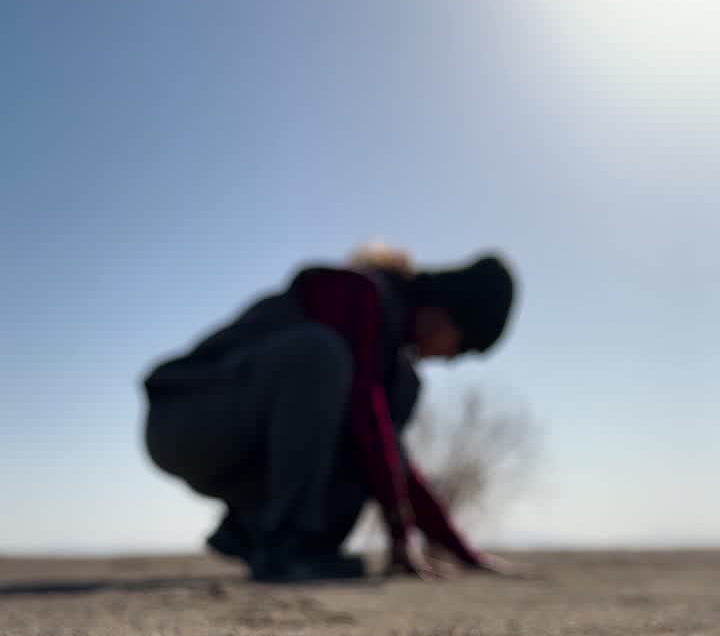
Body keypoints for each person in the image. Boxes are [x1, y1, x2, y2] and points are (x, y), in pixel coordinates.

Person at [142, 242, 517, 583]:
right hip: (186, 419)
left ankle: (260, 531)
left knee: (395, 401)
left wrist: (461, 550)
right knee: (321, 354)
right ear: (447, 314)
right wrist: (399, 529)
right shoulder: (359, 293)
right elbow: (368, 416)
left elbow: (393, 458)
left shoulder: (393, 367)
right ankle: (285, 544)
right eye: (462, 347)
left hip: (244, 447)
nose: (450, 359)